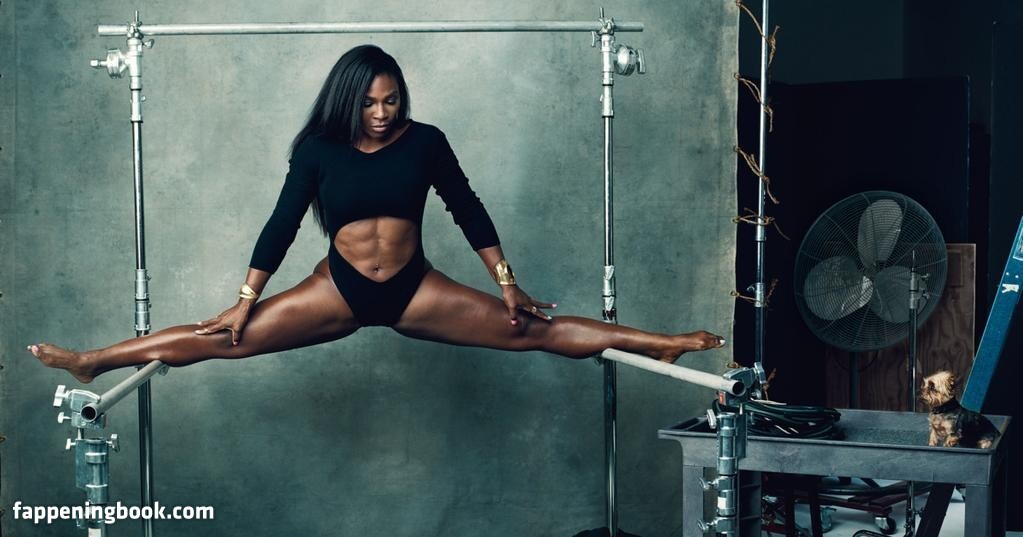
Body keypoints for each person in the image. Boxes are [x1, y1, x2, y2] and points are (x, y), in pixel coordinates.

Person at [28, 45, 724, 384]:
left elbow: (467, 208)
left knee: (532, 332)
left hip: (414, 288)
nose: (383, 113)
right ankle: (94, 361)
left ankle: (656, 343)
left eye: (392, 100)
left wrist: (506, 281)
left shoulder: (426, 142)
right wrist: (245, 298)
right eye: (370, 102)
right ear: (349, 99)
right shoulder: (318, 150)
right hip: (338, 287)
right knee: (223, 337)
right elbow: (280, 224)